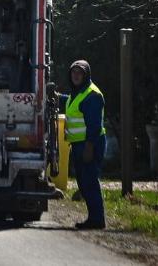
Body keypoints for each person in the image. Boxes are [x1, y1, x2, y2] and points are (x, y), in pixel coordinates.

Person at [59, 60, 107, 230]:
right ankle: (93, 217)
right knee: (84, 182)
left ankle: (97, 219)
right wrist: (57, 97)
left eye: (80, 73)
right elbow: (72, 105)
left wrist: (89, 147)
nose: (76, 75)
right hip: (80, 144)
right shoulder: (77, 93)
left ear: (86, 75)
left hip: (89, 144)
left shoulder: (92, 95)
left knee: (90, 182)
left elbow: (94, 126)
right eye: (73, 72)